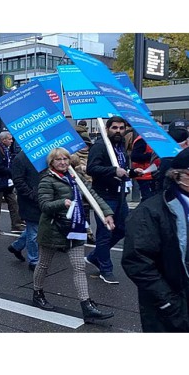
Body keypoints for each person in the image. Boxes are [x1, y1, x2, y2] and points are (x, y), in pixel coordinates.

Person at [33, 147, 115, 323]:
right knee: (43, 265)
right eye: (58, 160)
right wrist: (62, 202)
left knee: (79, 267)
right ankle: (37, 292)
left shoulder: (76, 178)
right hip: (54, 230)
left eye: (65, 159)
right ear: (51, 163)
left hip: (76, 228)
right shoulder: (47, 180)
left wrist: (107, 213)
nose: (63, 162)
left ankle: (87, 306)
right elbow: (44, 205)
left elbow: (93, 195)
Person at [122, 148, 189, 332]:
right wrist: (168, 302)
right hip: (171, 304)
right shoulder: (150, 211)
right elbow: (137, 261)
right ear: (178, 176)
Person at [85, 116, 142, 284]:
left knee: (123, 229)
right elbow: (91, 169)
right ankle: (105, 269)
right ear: (108, 128)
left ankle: (96, 256)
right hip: (104, 195)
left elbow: (121, 169)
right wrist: (113, 171)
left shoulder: (120, 146)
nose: (118, 131)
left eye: (121, 128)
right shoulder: (101, 146)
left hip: (120, 195)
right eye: (114, 128)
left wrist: (131, 172)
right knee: (105, 233)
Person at [8, 150, 42, 271]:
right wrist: (31, 195)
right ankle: (34, 260)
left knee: (34, 228)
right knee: (34, 232)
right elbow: (18, 181)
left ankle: (17, 246)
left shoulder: (43, 155)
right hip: (29, 201)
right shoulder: (20, 158)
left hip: (42, 198)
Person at [0, 131, 23, 234]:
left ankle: (16, 224)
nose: (12, 141)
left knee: (13, 203)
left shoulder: (6, 149)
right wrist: (11, 171)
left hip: (7, 183)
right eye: (10, 139)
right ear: (3, 140)